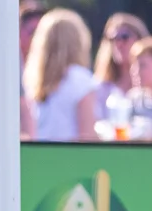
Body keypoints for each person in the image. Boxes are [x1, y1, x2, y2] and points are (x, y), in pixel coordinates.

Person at [23, 8, 98, 141]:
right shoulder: (80, 79)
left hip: (41, 156)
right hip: (70, 158)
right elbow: (87, 137)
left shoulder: (31, 81)